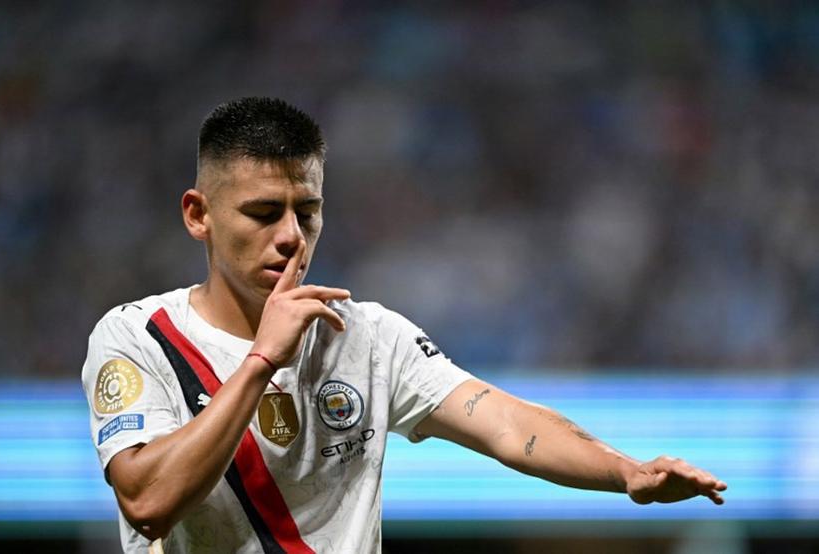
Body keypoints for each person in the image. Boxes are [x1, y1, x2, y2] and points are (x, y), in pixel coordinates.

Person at [81, 97, 727, 554]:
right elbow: (148, 502)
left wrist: (624, 473)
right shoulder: (138, 338)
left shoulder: (366, 336)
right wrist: (259, 365)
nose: (289, 238)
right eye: (262, 212)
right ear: (199, 214)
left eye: (307, 211)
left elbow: (505, 421)